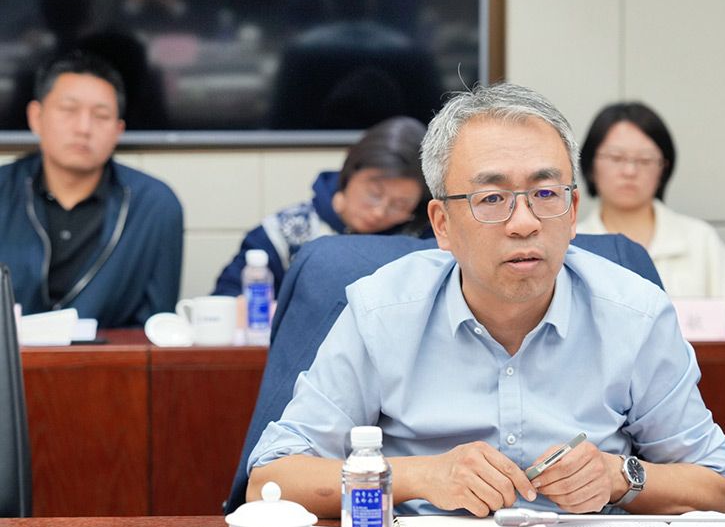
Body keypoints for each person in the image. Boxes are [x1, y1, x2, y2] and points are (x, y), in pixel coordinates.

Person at [246, 82, 725, 518]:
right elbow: (271, 480)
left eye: (546, 194)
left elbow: (716, 486)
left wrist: (620, 477)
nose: (524, 223)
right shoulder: (381, 313)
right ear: (441, 224)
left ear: (572, 213)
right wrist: (419, 476)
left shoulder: (635, 313)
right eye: (492, 199)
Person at [0, 50, 183, 328]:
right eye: (69, 110)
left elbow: (157, 327)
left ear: (118, 130)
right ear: (36, 117)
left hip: (110, 357)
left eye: (101, 115)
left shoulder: (154, 206)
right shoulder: (4, 189)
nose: (84, 128)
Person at [212, 116, 432, 296]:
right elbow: (228, 298)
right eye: (374, 195)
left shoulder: (425, 241)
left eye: (399, 206)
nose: (379, 212)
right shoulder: (282, 233)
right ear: (350, 171)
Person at [577, 102, 725, 312]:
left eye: (645, 160)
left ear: (663, 169)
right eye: (616, 158)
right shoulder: (570, 245)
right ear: (590, 164)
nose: (630, 171)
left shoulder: (699, 239)